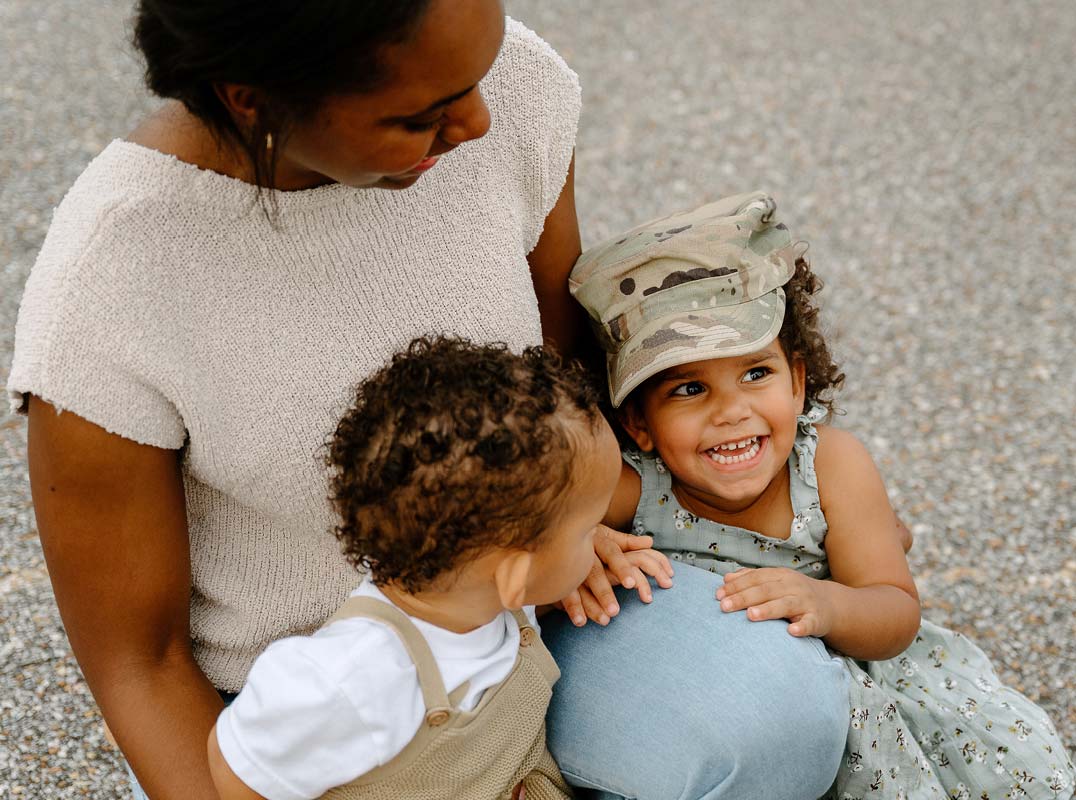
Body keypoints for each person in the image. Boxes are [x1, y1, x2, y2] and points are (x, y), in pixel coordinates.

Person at [8, 2, 848, 798]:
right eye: (422, 116)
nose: (480, 122)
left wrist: (616, 524)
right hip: (310, 717)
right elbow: (139, 663)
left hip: (528, 608)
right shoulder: (112, 280)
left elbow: (566, 377)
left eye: (478, 74)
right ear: (252, 100)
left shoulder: (510, 85)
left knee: (781, 715)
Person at [567, 191, 1076, 799]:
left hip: (864, 686)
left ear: (799, 379)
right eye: (689, 389)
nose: (732, 411)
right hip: (739, 703)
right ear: (638, 424)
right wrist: (589, 540)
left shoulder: (831, 464)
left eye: (757, 373)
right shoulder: (639, 483)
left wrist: (826, 604)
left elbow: (895, 610)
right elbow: (552, 526)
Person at [207, 337, 621, 800]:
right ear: (513, 577)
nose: (600, 536)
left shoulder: (483, 600)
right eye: (589, 529)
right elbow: (237, 766)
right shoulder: (352, 676)